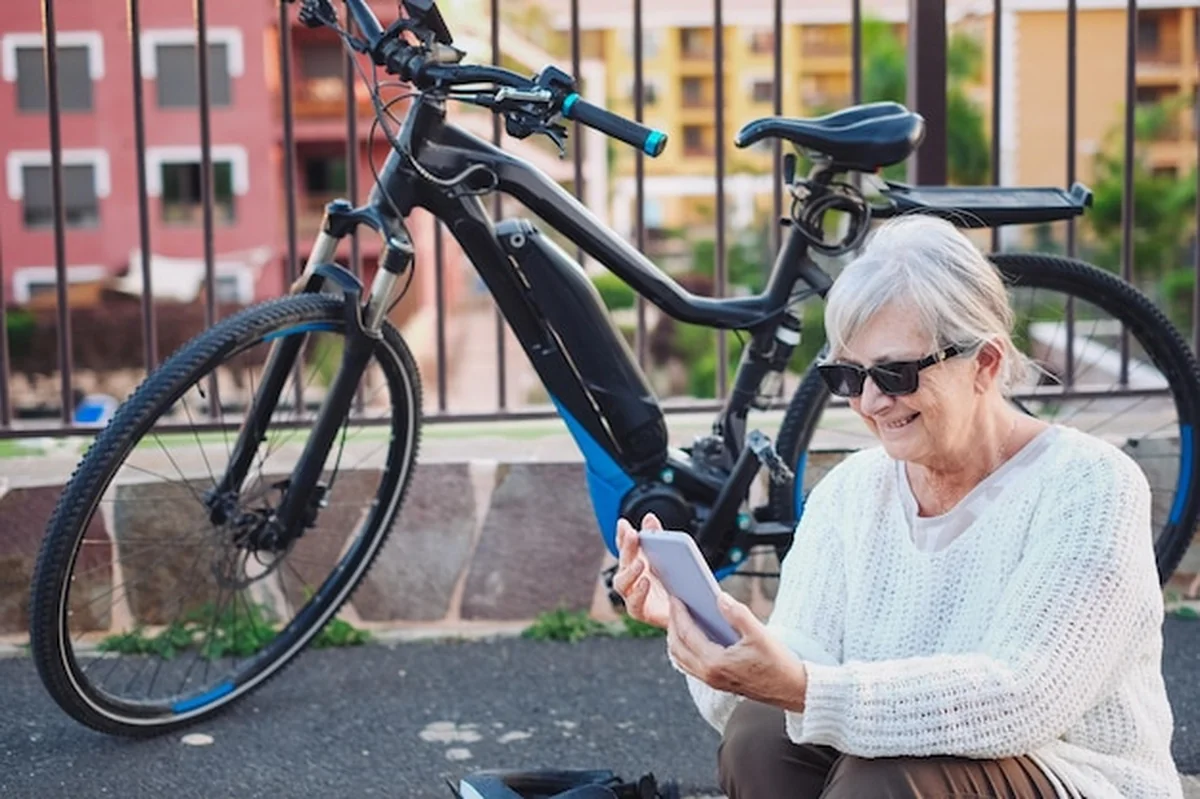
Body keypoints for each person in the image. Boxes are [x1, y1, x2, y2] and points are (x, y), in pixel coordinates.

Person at [612, 215, 1182, 799]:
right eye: (847, 376)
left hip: (1076, 776)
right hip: (902, 770)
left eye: (895, 373)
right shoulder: (852, 491)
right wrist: (702, 633)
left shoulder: (1091, 485)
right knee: (757, 736)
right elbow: (788, 669)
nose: (871, 401)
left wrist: (807, 689)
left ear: (984, 363)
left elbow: (1023, 697)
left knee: (885, 778)